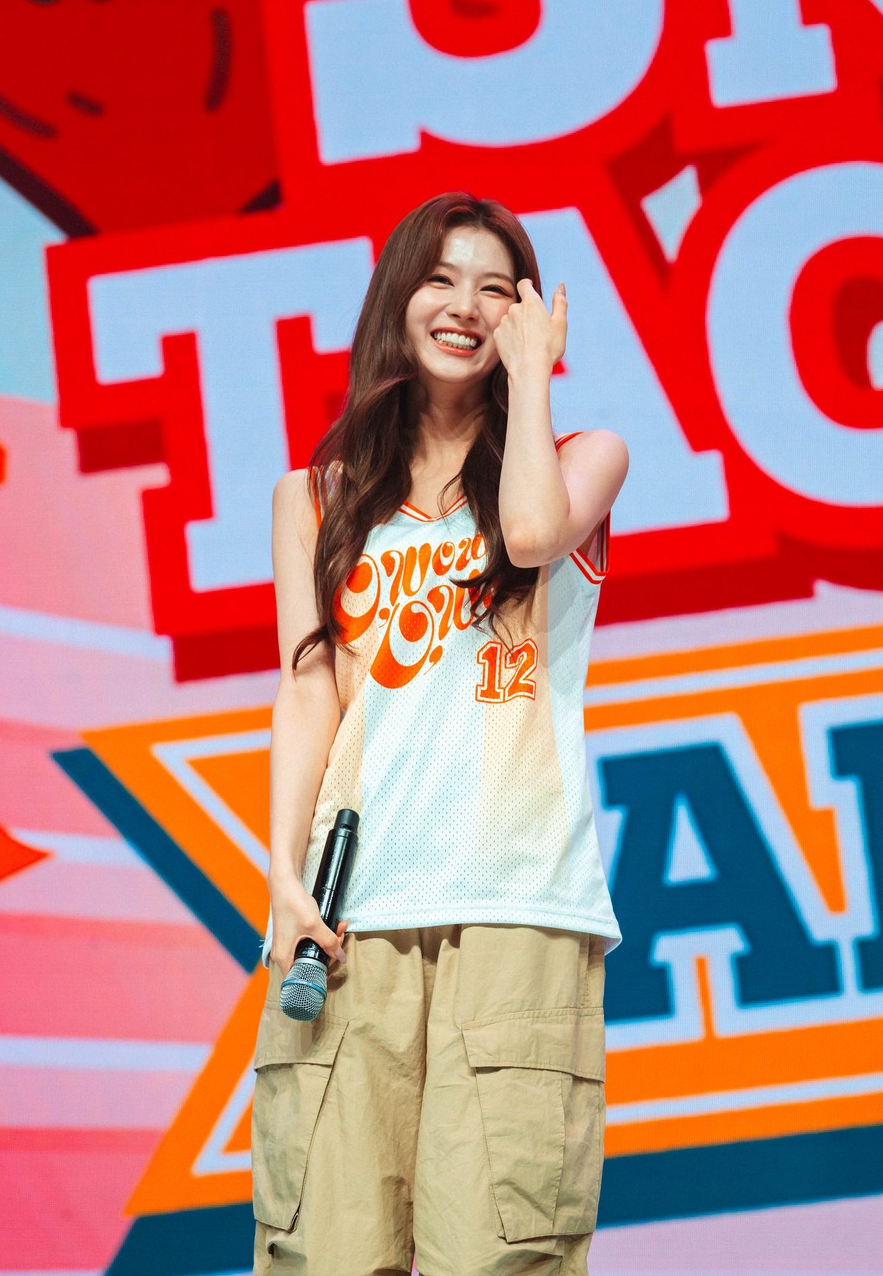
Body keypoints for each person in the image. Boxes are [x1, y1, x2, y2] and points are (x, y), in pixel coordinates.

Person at [253, 192, 628, 1274]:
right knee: (324, 1249)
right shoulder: (318, 493)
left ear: (528, 315)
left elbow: (530, 532)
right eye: (440, 279)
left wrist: (529, 378)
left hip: (516, 908)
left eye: (495, 289)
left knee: (495, 1256)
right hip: (349, 916)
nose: (465, 306)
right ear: (397, 297)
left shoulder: (584, 456)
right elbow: (308, 691)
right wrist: (280, 874)